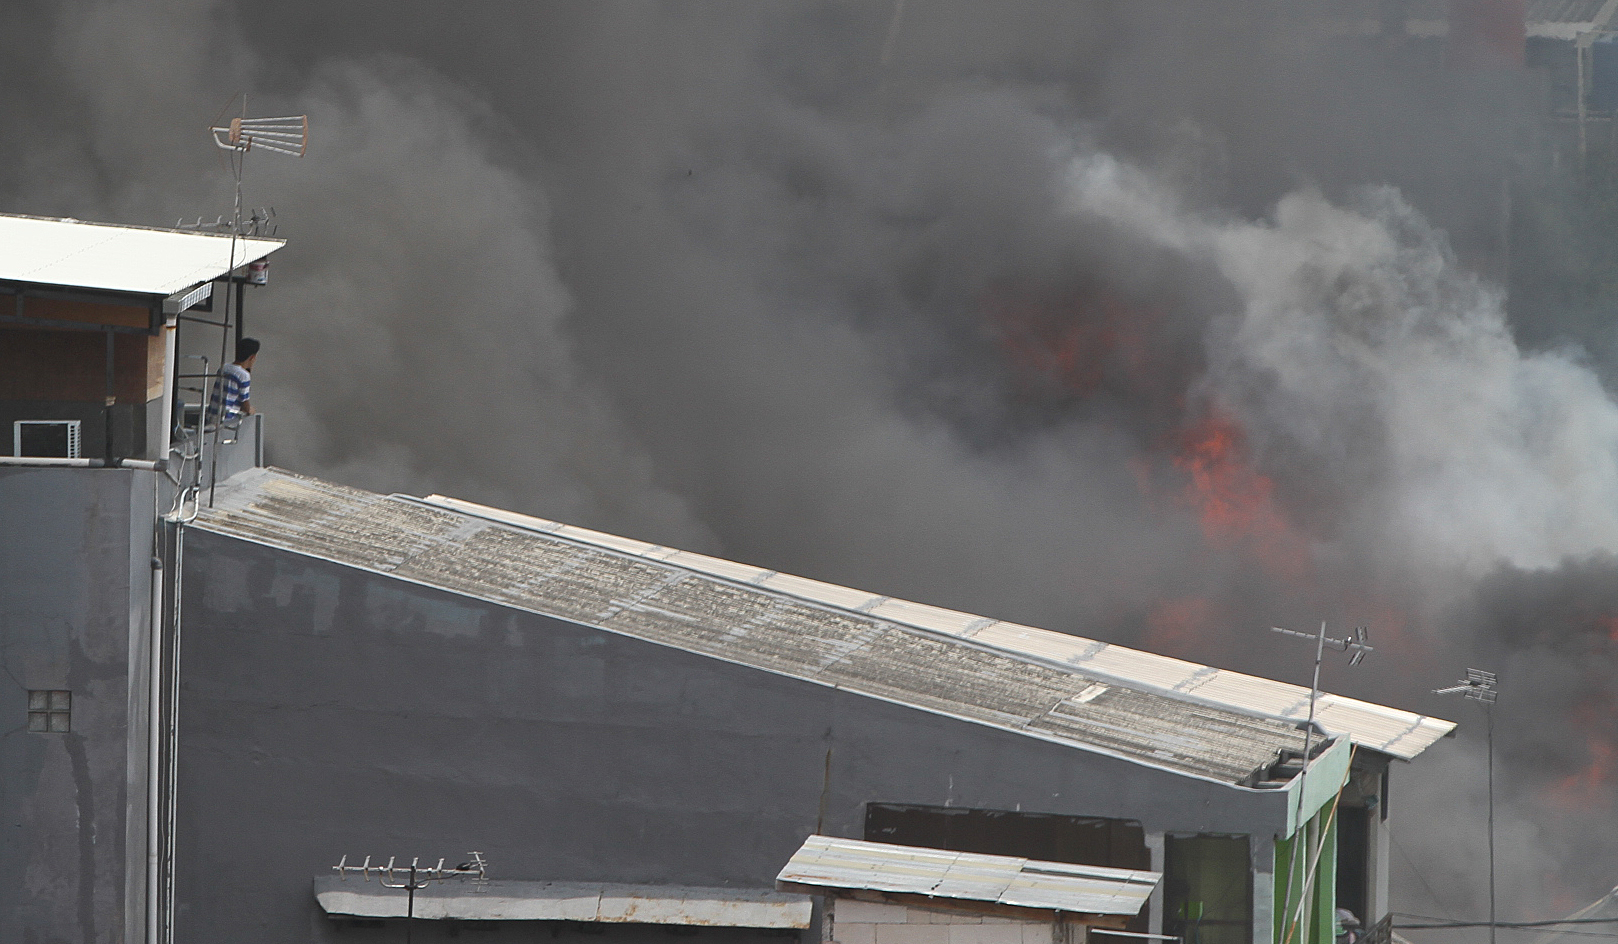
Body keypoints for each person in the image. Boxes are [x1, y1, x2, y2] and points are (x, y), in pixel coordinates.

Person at [208, 337, 259, 422]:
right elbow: (245, 404)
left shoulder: (224, 368)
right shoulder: (243, 375)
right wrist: (250, 410)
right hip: (227, 420)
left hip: (212, 417)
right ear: (252, 357)